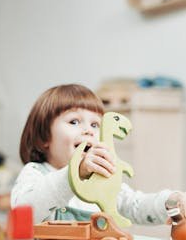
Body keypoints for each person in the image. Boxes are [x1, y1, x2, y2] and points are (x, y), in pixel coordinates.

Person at [11, 84, 186, 226]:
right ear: (44, 137)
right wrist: (74, 173)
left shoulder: (102, 177)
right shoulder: (34, 173)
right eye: (74, 121)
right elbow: (23, 215)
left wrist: (170, 202)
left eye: (95, 125)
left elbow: (135, 205)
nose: (88, 130)